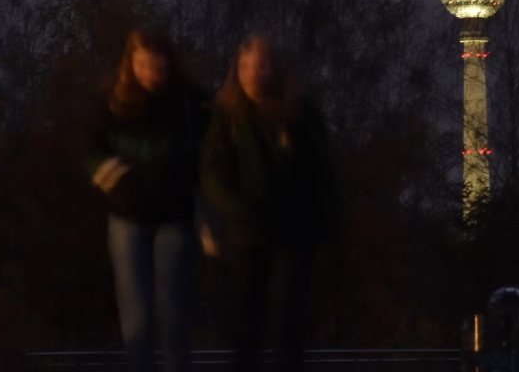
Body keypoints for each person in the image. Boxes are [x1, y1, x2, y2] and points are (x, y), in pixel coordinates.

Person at [201, 35, 340, 372]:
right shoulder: (229, 115)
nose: (253, 74)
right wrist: (233, 212)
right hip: (247, 235)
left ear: (274, 68)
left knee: (289, 324)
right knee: (247, 327)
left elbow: (321, 169)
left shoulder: (298, 112)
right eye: (245, 66)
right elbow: (213, 171)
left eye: (261, 65)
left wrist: (324, 222)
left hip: (294, 234)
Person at [85, 28, 212, 372]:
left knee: (174, 316)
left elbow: (208, 156)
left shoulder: (188, 101)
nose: (149, 74)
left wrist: (205, 209)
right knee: (137, 322)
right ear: (131, 63)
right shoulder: (114, 99)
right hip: (127, 219)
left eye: (155, 66)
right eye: (141, 65)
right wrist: (119, 184)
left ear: (168, 63)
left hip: (174, 217)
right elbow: (92, 149)